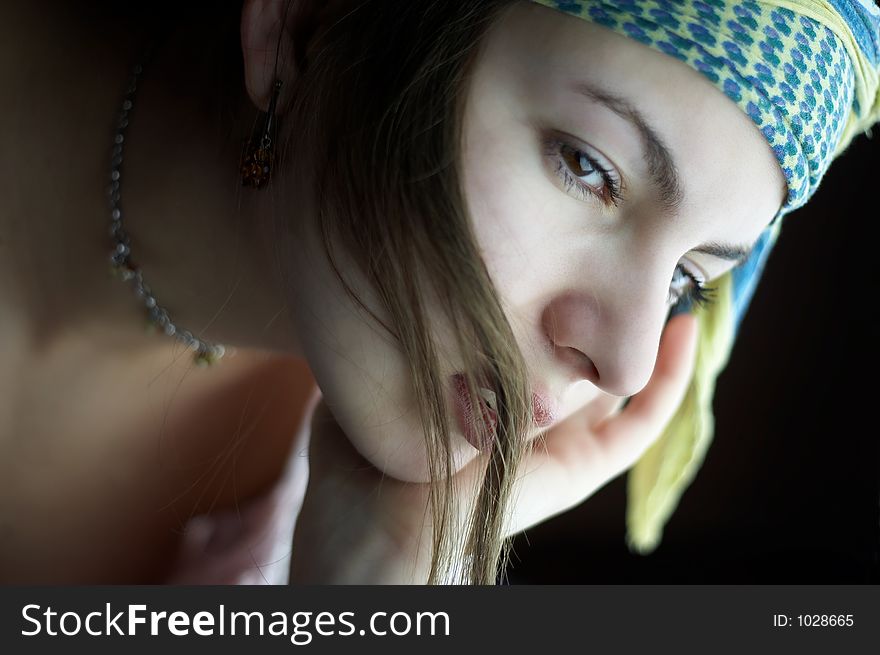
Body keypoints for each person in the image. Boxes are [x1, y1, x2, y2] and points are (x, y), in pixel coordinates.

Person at [1, 0, 877, 584]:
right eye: (588, 168)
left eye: (691, 277)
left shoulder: (341, 509)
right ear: (305, 26)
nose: (626, 361)